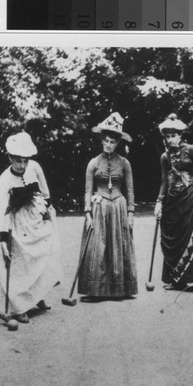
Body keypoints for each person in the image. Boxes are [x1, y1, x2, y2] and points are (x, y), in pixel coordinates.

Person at [0, 132, 63, 323]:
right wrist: (3, 240)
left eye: (25, 160)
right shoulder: (5, 179)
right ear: (10, 158)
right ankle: (18, 306)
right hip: (12, 220)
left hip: (32, 215)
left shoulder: (35, 167)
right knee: (20, 261)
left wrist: (47, 211)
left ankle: (36, 296)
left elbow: (45, 192)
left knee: (41, 253)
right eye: (18, 160)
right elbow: (4, 209)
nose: (22, 165)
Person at [78, 112, 138, 300]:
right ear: (102, 141)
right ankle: (96, 290)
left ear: (118, 143)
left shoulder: (125, 163)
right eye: (106, 141)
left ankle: (120, 289)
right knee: (98, 245)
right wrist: (87, 213)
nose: (109, 145)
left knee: (120, 245)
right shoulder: (93, 163)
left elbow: (130, 190)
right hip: (99, 206)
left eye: (113, 141)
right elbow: (88, 190)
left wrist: (131, 213)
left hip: (119, 206)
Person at [154, 113, 193, 290]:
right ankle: (176, 280)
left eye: (174, 136)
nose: (171, 139)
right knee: (176, 236)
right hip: (174, 199)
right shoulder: (165, 157)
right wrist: (159, 201)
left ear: (180, 135)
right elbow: (165, 180)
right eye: (168, 136)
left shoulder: (192, 149)